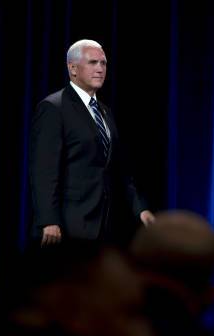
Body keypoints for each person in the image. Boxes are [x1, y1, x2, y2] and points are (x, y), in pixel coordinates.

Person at [29, 39, 154, 247]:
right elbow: (43, 171)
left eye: (103, 63)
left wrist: (140, 208)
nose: (100, 69)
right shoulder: (53, 108)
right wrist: (48, 220)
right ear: (73, 68)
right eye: (93, 62)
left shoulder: (104, 111)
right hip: (67, 228)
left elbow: (119, 170)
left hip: (103, 227)